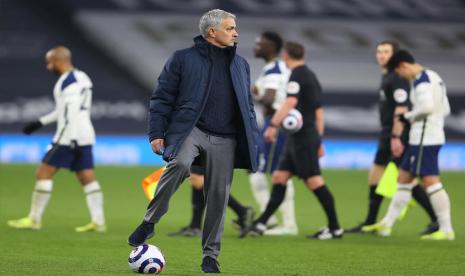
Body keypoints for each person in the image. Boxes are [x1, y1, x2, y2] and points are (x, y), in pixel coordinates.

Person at [127, 9, 259, 273]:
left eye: (235, 28)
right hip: (191, 130)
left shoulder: (241, 64)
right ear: (212, 32)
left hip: (227, 138)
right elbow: (162, 97)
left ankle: (210, 256)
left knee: (218, 198)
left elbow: (248, 107)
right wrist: (156, 133)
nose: (236, 32)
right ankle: (150, 222)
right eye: (230, 28)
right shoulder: (182, 59)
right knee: (180, 164)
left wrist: (253, 142)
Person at [241, 41, 343, 240]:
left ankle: (335, 227)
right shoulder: (311, 76)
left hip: (303, 137)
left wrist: (273, 125)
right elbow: (319, 111)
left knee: (314, 182)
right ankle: (261, 223)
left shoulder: (297, 75)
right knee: (279, 177)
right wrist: (319, 140)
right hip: (300, 136)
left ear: (286, 56)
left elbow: (290, 102)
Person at [7, 46, 106, 233]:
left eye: (50, 62)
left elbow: (70, 113)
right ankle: (99, 221)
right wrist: (39, 122)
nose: (48, 67)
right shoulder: (82, 77)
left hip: (69, 136)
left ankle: (34, 220)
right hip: (86, 134)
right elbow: (64, 111)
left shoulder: (67, 82)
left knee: (42, 173)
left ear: (60, 61)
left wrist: (72, 139)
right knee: (86, 176)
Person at [346, 41, 438, 234]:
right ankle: (370, 221)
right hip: (387, 133)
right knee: (376, 175)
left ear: (395, 55)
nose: (381, 55)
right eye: (379, 51)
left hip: (397, 134)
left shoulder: (397, 78)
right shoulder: (388, 76)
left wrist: (396, 136)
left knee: (407, 179)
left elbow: (402, 108)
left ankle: (436, 219)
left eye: (386, 52)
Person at [362, 49, 454, 240]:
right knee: (403, 179)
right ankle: (386, 224)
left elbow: (427, 107)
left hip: (424, 139)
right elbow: (445, 108)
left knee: (430, 182)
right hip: (427, 136)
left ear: (403, 65)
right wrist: (434, 119)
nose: (401, 77)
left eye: (399, 72)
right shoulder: (434, 76)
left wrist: (408, 116)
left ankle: (446, 229)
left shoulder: (421, 83)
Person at [247, 31, 298, 236]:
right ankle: (272, 219)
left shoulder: (275, 69)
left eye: (261, 43)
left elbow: (269, 98)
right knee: (258, 172)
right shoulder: (271, 68)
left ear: (271, 47)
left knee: (278, 173)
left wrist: (249, 95)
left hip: (276, 125)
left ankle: (288, 224)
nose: (256, 46)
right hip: (274, 124)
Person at [168, 164, 255, 237]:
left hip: (207, 145)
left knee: (198, 179)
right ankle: (195, 225)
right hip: (204, 145)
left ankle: (242, 211)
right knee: (198, 180)